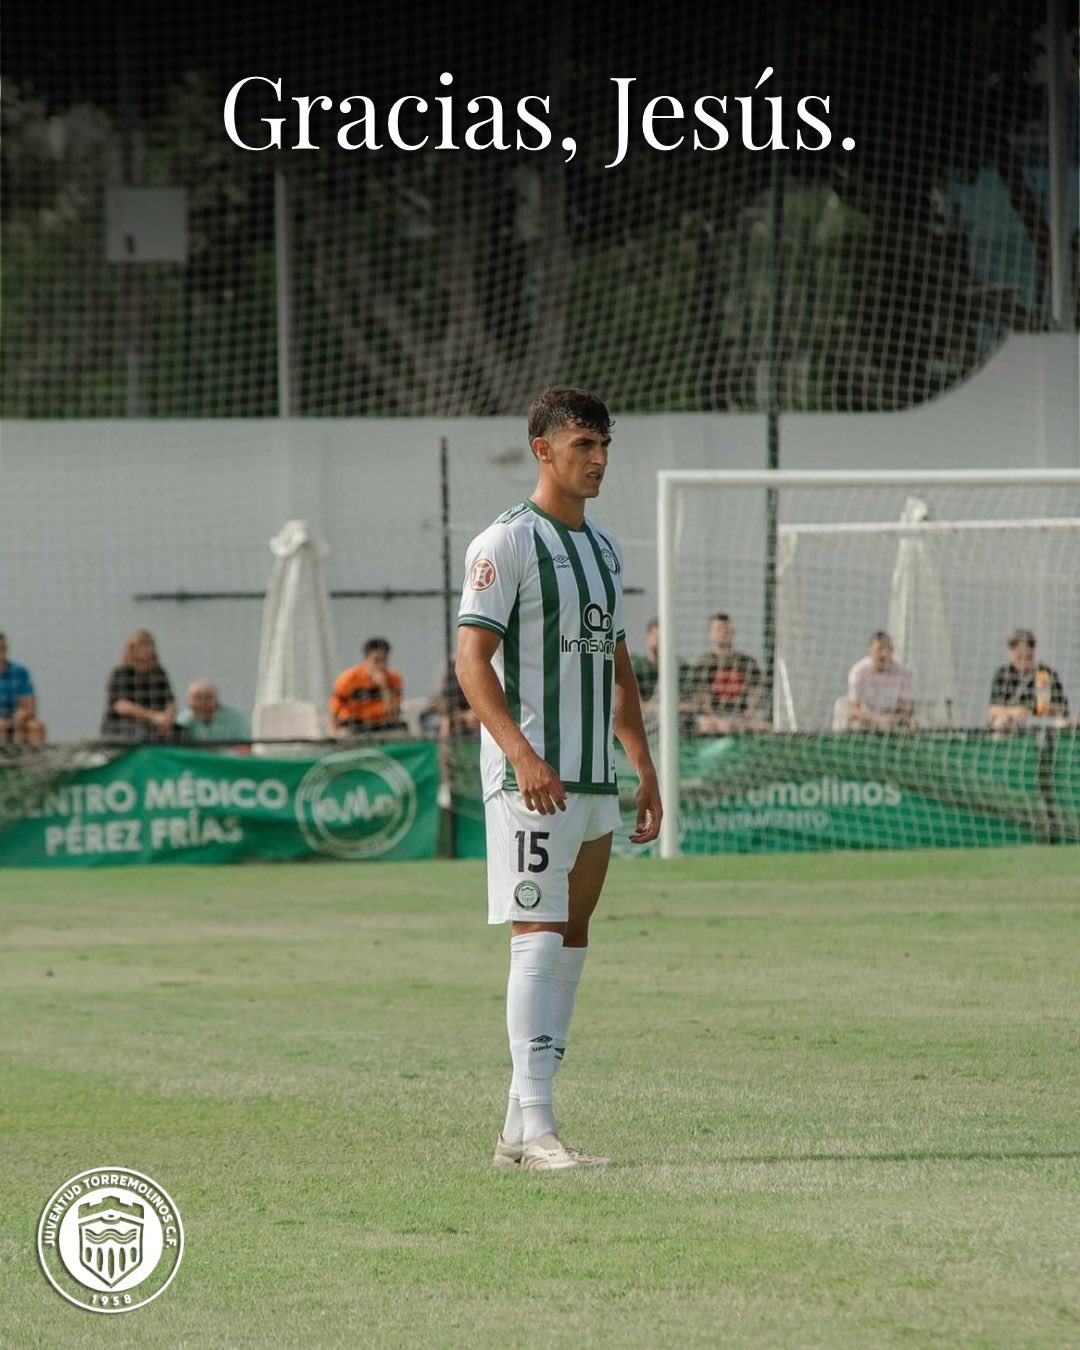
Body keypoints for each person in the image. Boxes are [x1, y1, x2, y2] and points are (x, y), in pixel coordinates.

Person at [456, 386, 662, 1173]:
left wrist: (642, 765)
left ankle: (519, 1128)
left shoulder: (604, 550)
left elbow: (616, 666)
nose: (599, 459)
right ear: (543, 450)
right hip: (533, 780)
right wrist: (519, 753)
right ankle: (541, 1127)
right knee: (537, 933)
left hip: (595, 779)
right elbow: (471, 660)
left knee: (572, 936)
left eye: (605, 445)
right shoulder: (505, 543)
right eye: (584, 445)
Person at [689, 613, 767, 734]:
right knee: (705, 726)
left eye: (726, 628)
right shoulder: (703, 663)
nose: (722, 632)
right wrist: (718, 720)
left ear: (732, 632)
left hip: (740, 716)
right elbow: (702, 700)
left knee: (765, 727)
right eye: (718, 629)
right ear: (710, 633)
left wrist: (745, 716)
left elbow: (757, 694)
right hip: (712, 718)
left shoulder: (746, 662)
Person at [100, 630, 177, 742]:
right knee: (143, 734)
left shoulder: (159, 673)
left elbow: (170, 702)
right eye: (142, 645)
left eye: (149, 645)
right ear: (132, 649)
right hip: (122, 724)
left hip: (155, 723)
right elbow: (121, 706)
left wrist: (167, 719)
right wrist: (153, 716)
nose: (147, 649)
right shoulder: (121, 673)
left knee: (182, 732)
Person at [988, 629, 1070, 730]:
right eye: (1017, 654)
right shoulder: (1003, 674)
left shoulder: (1042, 673)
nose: (1022, 659)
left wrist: (1029, 710)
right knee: (999, 722)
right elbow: (993, 709)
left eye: (1026, 655)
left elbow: (1049, 708)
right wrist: (1012, 712)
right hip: (1012, 721)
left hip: (1041, 722)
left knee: (1061, 723)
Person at [328, 637, 406, 735]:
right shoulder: (348, 679)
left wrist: (384, 687)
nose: (381, 665)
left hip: (380, 723)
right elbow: (334, 709)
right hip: (355, 724)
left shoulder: (394, 678)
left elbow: (394, 714)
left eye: (384, 660)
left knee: (401, 730)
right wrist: (333, 732)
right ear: (365, 659)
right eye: (376, 660)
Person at [630, 618, 696, 734]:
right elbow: (633, 705)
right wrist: (655, 709)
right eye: (657, 638)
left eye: (664, 638)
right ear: (648, 638)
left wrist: (667, 709)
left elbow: (690, 705)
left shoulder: (679, 668)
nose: (660, 643)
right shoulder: (637, 667)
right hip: (645, 722)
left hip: (676, 723)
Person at [847, 631, 915, 730]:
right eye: (879, 649)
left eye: (888, 649)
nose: (884, 654)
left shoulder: (903, 672)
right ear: (870, 650)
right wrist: (877, 719)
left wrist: (892, 718)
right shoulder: (858, 672)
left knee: (913, 724)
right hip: (867, 718)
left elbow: (906, 706)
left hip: (893, 718)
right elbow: (853, 710)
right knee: (856, 725)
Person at [0, 632, 47, 744]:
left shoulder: (19, 671)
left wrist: (21, 715)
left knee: (36, 727)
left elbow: (29, 704)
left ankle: (31, 754)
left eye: (3, 650)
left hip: (14, 720)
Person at [175, 679, 251, 747]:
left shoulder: (235, 719)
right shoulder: (183, 720)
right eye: (197, 698)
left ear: (216, 700)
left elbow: (244, 748)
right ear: (189, 701)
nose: (202, 703)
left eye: (208, 698)